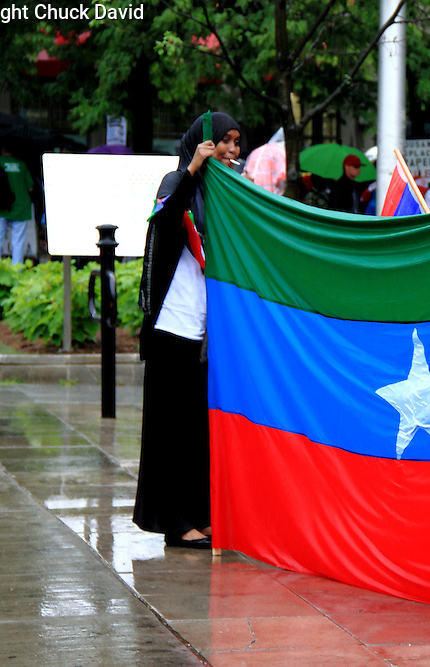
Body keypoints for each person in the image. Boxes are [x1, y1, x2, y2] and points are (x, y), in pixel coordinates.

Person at [133, 111, 242, 549]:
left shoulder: (227, 194)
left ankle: (199, 514)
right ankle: (175, 522)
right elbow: (162, 218)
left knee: (199, 429)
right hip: (171, 326)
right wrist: (193, 168)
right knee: (171, 429)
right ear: (203, 142)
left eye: (238, 142)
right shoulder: (176, 180)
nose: (233, 150)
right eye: (226, 141)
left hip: (204, 333)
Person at [0, 143, 34, 266]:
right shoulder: (21, 164)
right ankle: (16, 272)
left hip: (0, 207)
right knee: (18, 242)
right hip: (20, 207)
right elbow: (30, 188)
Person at [243, 129, 286, 195]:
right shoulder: (281, 153)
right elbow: (283, 180)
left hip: (250, 194)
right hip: (270, 198)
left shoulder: (256, 151)